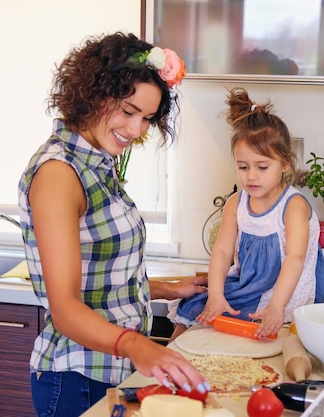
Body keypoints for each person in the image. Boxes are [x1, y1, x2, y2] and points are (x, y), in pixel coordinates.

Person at [18, 32, 209, 416]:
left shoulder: (98, 163)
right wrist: (140, 347)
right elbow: (66, 307)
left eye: (147, 118)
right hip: (75, 380)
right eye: (128, 110)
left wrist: (167, 289)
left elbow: (100, 280)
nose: (137, 130)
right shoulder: (59, 173)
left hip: (108, 374)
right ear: (93, 92)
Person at [169, 87, 324, 340]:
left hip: (286, 290)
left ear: (285, 164)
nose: (251, 176)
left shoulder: (293, 206)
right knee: (194, 305)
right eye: (243, 166)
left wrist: (276, 306)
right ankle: (168, 362)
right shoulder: (236, 203)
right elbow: (221, 251)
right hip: (248, 285)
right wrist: (216, 296)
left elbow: (295, 259)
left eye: (262, 167)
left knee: (268, 336)